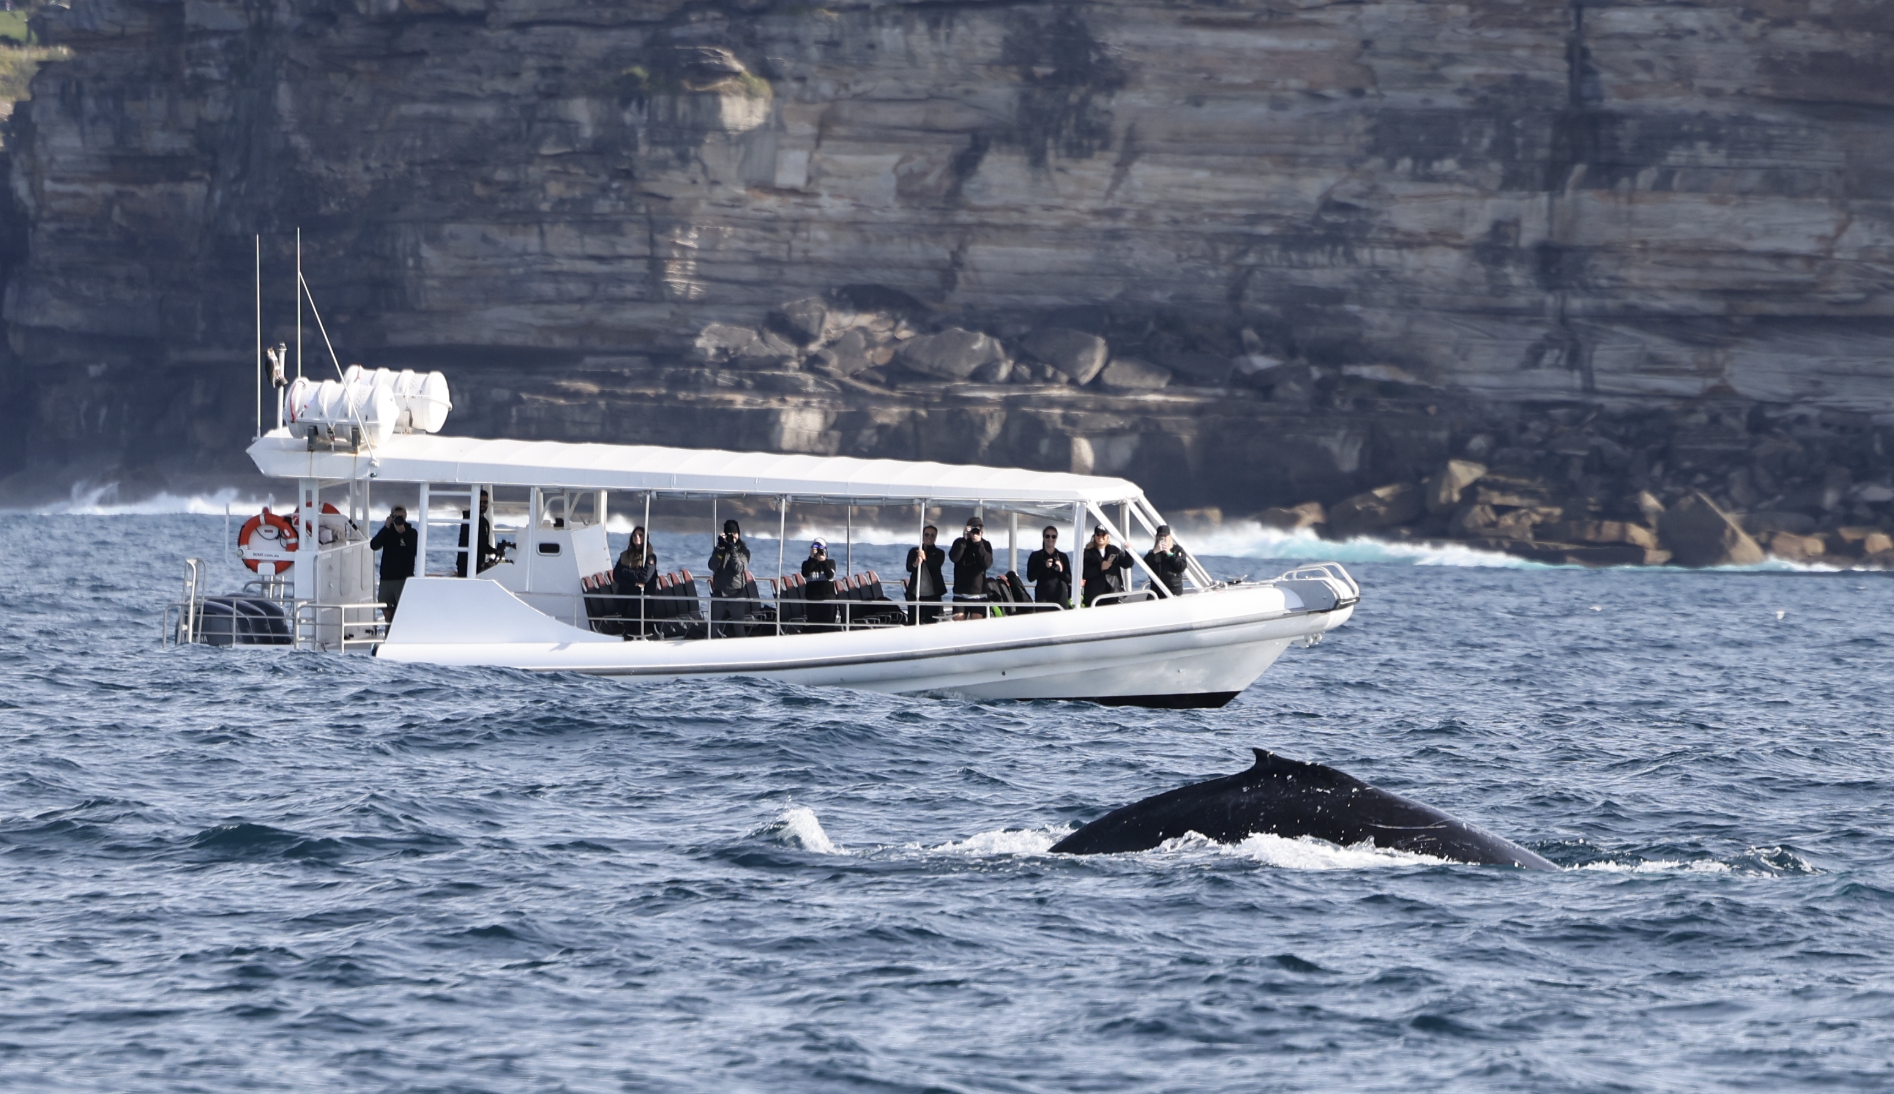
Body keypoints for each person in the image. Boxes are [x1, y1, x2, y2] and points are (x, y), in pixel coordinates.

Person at [369, 505, 418, 620]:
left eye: (401, 516)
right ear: (391, 517)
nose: (399, 520)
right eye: (396, 517)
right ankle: (388, 631)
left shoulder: (411, 532)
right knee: (385, 606)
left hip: (403, 578)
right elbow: (374, 545)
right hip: (386, 578)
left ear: (405, 516)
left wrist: (403, 533)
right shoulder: (387, 532)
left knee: (402, 609)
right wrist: (386, 527)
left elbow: (414, 550)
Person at [708, 519, 752, 637]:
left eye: (735, 534)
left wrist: (732, 550)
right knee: (712, 628)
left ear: (739, 534)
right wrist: (719, 550)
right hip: (719, 593)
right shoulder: (720, 549)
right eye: (729, 534)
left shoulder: (744, 551)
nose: (732, 537)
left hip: (736, 595)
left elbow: (739, 568)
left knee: (739, 629)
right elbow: (712, 566)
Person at [614, 526, 660, 633]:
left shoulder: (650, 557)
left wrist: (626, 572)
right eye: (634, 535)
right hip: (626, 599)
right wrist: (633, 583)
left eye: (640, 535)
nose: (637, 537)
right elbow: (616, 576)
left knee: (641, 629)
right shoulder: (625, 556)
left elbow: (644, 577)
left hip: (643, 601)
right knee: (628, 630)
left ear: (645, 538)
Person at [948, 517, 993, 614]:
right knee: (959, 621)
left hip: (978, 593)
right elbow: (954, 558)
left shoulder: (985, 544)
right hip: (960, 592)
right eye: (973, 528)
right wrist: (964, 539)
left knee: (977, 622)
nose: (975, 531)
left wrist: (978, 544)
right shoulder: (959, 542)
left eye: (978, 528)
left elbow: (987, 564)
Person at [1081, 525, 1134, 606]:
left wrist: (1129, 551)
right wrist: (1100, 568)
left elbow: (1127, 564)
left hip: (1113, 593)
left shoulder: (1114, 550)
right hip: (1095, 595)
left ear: (1108, 536)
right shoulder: (1087, 553)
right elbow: (1083, 573)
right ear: (1094, 536)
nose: (1100, 537)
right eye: (1098, 534)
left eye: (1103, 534)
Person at [905, 524, 946, 624]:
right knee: (913, 622)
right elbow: (909, 568)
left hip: (933, 595)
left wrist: (925, 558)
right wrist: (916, 562)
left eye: (932, 535)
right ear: (922, 536)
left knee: (931, 623)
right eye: (927, 535)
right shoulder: (914, 551)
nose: (929, 537)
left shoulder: (939, 553)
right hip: (915, 594)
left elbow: (936, 567)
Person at [455, 490, 501, 576]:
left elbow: (484, 545)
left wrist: (495, 551)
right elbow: (472, 542)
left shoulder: (485, 522)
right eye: (480, 502)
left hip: (478, 564)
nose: (483, 504)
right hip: (466, 564)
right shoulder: (469, 519)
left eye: (485, 502)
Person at [1025, 525, 1072, 608]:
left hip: (1060, 595)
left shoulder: (1062, 556)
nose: (1050, 539)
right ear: (1043, 538)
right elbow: (1030, 577)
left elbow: (1069, 579)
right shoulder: (1036, 556)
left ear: (1056, 538)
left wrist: (1060, 570)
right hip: (1043, 595)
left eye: (1053, 537)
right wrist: (1044, 566)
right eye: (1047, 536)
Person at [801, 538, 838, 632]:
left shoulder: (830, 563)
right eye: (816, 548)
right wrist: (811, 558)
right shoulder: (807, 563)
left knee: (828, 629)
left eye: (821, 548)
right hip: (813, 601)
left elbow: (830, 575)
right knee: (814, 629)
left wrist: (823, 561)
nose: (818, 551)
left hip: (828, 601)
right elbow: (805, 573)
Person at [1143, 525, 1190, 598]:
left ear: (1169, 537)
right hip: (1156, 589)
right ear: (1157, 537)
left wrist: (1170, 554)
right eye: (1160, 536)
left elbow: (1182, 567)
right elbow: (1145, 565)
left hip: (1173, 589)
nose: (1163, 538)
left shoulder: (1177, 550)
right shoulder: (1153, 552)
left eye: (1165, 536)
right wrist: (1155, 552)